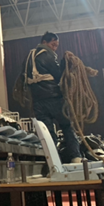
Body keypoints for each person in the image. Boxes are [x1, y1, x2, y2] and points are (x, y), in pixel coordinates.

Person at [25, 32, 82, 163]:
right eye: (53, 44)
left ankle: (53, 160)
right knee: (67, 126)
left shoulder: (29, 57)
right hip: (53, 98)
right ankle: (76, 157)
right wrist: (65, 62)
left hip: (37, 102)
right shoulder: (47, 54)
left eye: (56, 46)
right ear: (44, 42)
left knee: (48, 133)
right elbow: (58, 75)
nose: (54, 48)